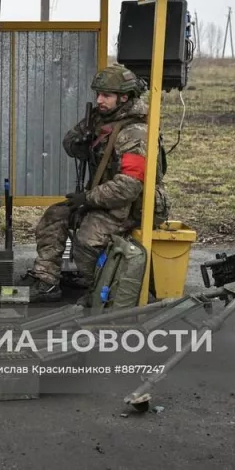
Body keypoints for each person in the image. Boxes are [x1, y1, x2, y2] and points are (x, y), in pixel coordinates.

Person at [25, 64, 169, 303]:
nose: (100, 100)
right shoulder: (100, 118)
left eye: (106, 95)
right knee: (55, 215)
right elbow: (70, 142)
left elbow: (128, 187)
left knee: (87, 238)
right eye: (98, 94)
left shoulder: (135, 132)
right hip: (107, 198)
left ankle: (104, 289)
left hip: (134, 205)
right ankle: (47, 280)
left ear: (124, 97)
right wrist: (77, 142)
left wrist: (88, 199)